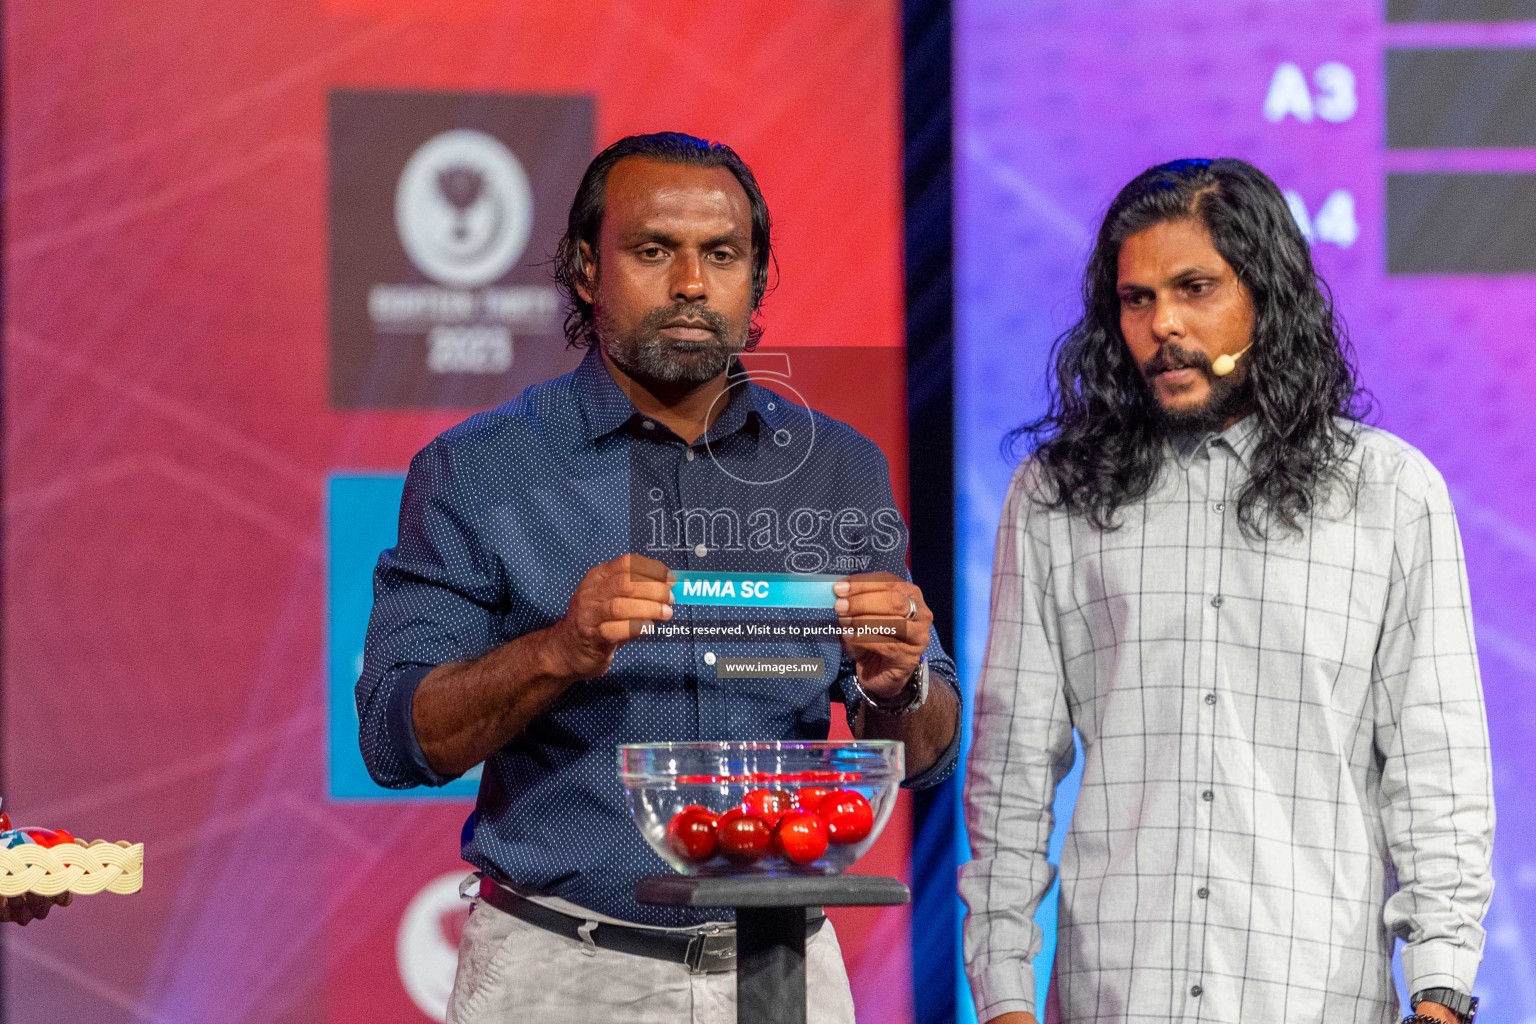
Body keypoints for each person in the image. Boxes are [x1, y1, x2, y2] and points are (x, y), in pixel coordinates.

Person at [356, 132, 961, 1024]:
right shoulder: (478, 471)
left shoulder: (838, 469)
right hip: (561, 972)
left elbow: (929, 751)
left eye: (722, 255)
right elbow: (395, 737)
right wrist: (557, 651)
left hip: (785, 971)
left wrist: (895, 685)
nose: (689, 283)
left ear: (756, 281)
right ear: (584, 270)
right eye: (653, 251)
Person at [961, 159, 1493, 1024]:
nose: (1163, 325)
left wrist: (1441, 991)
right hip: (1114, 996)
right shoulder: (1055, 495)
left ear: (1266, 296)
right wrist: (1004, 996)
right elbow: (1010, 773)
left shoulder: (1389, 493)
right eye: (1137, 300)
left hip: (1320, 998)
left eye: (1195, 288)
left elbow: (1438, 771)